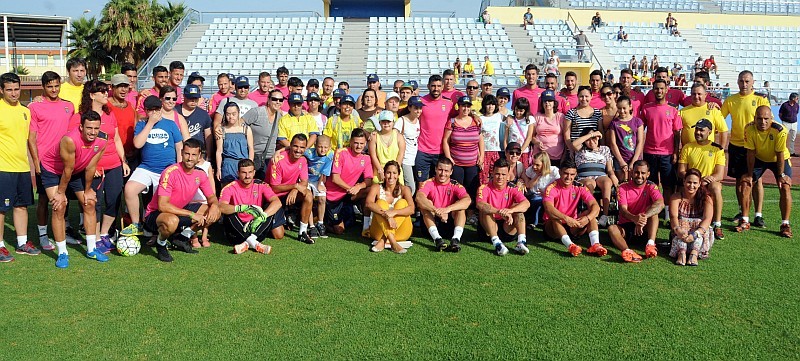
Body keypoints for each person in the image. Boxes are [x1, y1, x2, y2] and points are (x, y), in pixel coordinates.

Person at [40, 111, 108, 267]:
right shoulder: (69, 140)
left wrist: (88, 189)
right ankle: (62, 253)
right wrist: (60, 193)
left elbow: (91, 166)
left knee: (89, 202)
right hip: (53, 170)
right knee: (59, 206)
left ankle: (92, 249)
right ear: (81, 127)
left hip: (76, 170)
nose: (92, 132)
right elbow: (67, 170)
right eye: (89, 128)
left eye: (96, 128)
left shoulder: (103, 140)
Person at [71, 80, 129, 253]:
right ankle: (94, 237)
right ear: (91, 95)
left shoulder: (109, 114)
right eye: (102, 92)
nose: (106, 94)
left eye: (106, 91)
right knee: (95, 203)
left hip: (114, 164)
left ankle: (104, 234)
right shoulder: (79, 116)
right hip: (94, 168)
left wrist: (123, 160)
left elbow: (116, 139)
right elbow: (76, 143)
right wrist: (90, 166)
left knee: (114, 200)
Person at [143, 139, 221, 262]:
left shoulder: (200, 174)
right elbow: (162, 206)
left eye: (194, 155)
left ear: (199, 156)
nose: (190, 158)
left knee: (214, 212)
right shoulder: (170, 172)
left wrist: (215, 206)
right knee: (172, 221)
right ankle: (161, 243)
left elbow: (211, 198)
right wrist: (192, 214)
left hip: (179, 211)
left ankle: (183, 238)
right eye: (187, 154)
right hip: (156, 214)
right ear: (181, 153)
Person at [120, 96, 184, 237]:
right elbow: (137, 144)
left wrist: (178, 168)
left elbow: (179, 147)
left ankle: (162, 231)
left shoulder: (171, 124)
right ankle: (136, 224)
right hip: (147, 167)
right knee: (129, 189)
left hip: (167, 169)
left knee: (162, 203)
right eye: (151, 110)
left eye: (157, 109)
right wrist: (150, 124)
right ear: (146, 111)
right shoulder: (142, 124)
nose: (155, 112)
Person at [27, 71, 74, 252]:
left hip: (65, 162)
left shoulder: (69, 106)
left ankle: (62, 232)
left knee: (63, 200)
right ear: (43, 87)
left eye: (56, 85)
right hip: (45, 163)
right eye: (49, 86)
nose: (54, 89)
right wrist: (36, 162)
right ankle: (42, 234)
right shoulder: (35, 107)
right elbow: (31, 138)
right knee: (45, 200)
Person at [722, 70, 770, 228]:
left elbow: (768, 121)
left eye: (747, 81)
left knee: (756, 180)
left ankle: (758, 214)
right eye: (742, 81)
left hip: (755, 146)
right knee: (738, 180)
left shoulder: (760, 100)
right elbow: (719, 118)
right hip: (736, 145)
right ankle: (742, 211)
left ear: (753, 82)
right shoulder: (731, 100)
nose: (744, 84)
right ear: (737, 82)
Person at [738, 106, 793, 237]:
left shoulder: (780, 130)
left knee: (785, 186)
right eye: (759, 119)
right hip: (759, 158)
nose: (763, 122)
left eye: (766, 119)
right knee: (746, 183)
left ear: (771, 119)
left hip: (779, 159)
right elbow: (750, 152)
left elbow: (779, 154)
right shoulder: (749, 129)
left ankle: (785, 224)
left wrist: (781, 175)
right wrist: (750, 175)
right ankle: (745, 220)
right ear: (754, 118)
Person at [0, 73, 37, 262]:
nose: (14, 93)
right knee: (1, 209)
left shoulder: (26, 111)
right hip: (3, 168)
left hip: (22, 167)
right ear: (1, 90)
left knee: (21, 206)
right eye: (9, 90)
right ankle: (0, 246)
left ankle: (22, 243)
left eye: (16, 89)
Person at [219, 159, 284, 255]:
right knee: (229, 213)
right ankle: (255, 243)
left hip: (256, 229)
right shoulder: (230, 187)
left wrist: (263, 215)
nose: (247, 176)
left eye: (250, 172)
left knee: (269, 209)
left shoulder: (260, 184)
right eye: (244, 173)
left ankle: (248, 242)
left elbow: (277, 202)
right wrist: (241, 208)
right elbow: (221, 207)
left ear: (254, 172)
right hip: (236, 233)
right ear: (238, 173)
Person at [543, 161, 607, 257]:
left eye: (572, 174)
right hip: (553, 228)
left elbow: (595, 206)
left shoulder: (579, 187)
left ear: (576, 174)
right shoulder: (551, 187)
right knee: (554, 217)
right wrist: (566, 218)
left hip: (573, 225)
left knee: (591, 213)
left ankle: (595, 244)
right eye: (566, 173)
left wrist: (588, 218)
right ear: (560, 172)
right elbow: (548, 208)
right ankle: (570, 245)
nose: (569, 177)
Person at [640, 79, 683, 222]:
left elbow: (677, 133)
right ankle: (654, 211)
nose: (659, 91)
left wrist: (676, 152)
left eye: (661, 89)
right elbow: (640, 129)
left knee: (668, 185)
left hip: (667, 154)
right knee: (652, 184)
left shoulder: (673, 110)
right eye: (656, 89)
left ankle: (667, 213)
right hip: (650, 152)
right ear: (652, 90)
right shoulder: (646, 108)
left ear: (666, 90)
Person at [677, 118, 727, 241]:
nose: (698, 132)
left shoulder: (717, 149)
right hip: (692, 182)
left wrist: (705, 181)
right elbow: (681, 171)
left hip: (707, 183)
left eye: (702, 130)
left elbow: (720, 175)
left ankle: (717, 224)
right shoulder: (688, 147)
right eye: (697, 130)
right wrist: (694, 181)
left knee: (716, 187)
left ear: (709, 132)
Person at [608, 160, 664, 263]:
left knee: (654, 214)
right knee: (612, 229)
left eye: (643, 173)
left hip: (644, 226)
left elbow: (660, 204)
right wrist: (635, 219)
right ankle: (627, 251)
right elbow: (623, 210)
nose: (639, 175)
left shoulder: (651, 186)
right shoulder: (622, 187)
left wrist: (643, 218)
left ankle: (650, 244)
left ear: (648, 174)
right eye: (637, 172)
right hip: (627, 226)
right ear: (632, 172)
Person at [476, 158, 530, 256]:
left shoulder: (512, 187)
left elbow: (526, 203)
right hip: (488, 230)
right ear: (492, 173)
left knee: (518, 209)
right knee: (485, 210)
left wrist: (510, 210)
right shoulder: (484, 187)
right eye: (497, 174)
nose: (500, 177)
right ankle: (497, 244)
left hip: (507, 227)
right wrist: (499, 211)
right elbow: (480, 204)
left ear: (508, 175)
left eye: (503, 174)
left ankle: (521, 242)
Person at [415, 157, 472, 252]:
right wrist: (435, 210)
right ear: (435, 169)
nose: (443, 174)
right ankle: (437, 239)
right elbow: (419, 197)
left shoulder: (455, 184)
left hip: (449, 222)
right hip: (431, 223)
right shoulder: (429, 183)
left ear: (451, 172)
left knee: (460, 208)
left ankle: (456, 239)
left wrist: (447, 209)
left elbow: (467, 200)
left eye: (446, 171)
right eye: (440, 170)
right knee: (425, 206)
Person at [268, 134, 315, 244]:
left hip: (289, 193)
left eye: (302, 147)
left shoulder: (303, 160)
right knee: (278, 235)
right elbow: (274, 188)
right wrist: (295, 186)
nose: (298, 150)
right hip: (274, 198)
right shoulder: (278, 160)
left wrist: (295, 189)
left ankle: (302, 232)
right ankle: (276, 220)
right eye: (295, 146)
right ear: (290, 146)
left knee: (308, 194)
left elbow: (304, 182)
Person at [325, 128, 374, 235]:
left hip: (349, 194)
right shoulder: (341, 152)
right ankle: (324, 220)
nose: (359, 146)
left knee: (371, 190)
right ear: (351, 142)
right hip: (334, 196)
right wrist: (351, 188)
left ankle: (366, 226)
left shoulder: (366, 158)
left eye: (361, 143)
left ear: (365, 143)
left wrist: (359, 186)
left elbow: (369, 180)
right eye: (356, 143)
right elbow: (335, 178)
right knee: (339, 230)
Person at [365, 161, 415, 253]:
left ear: (399, 175)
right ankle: (393, 243)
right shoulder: (376, 187)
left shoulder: (405, 189)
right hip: (378, 232)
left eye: (394, 173)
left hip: (401, 232)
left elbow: (412, 209)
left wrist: (394, 212)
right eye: (388, 173)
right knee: (380, 202)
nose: (391, 176)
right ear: (384, 174)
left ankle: (384, 240)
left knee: (402, 202)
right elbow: (368, 203)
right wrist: (386, 215)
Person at [572, 128, 618, 227]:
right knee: (590, 184)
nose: (592, 141)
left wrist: (613, 176)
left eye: (594, 138)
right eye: (589, 139)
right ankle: (592, 212)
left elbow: (609, 168)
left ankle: (604, 215)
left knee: (607, 182)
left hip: (600, 175)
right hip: (584, 176)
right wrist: (591, 135)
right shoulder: (581, 149)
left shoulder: (605, 149)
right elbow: (574, 144)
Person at [415, 75, 455, 183]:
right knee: (421, 184)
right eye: (433, 86)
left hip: (441, 152)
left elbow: (460, 116)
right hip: (423, 151)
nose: (436, 89)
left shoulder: (449, 103)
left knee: (439, 183)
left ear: (442, 87)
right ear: (428, 86)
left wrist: (474, 116)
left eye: (438, 86)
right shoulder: (421, 102)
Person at [443, 96, 484, 201]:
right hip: (457, 163)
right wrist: (449, 158)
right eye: (463, 106)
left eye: (468, 106)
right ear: (459, 106)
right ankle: (457, 212)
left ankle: (471, 213)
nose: (465, 109)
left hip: (472, 163)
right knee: (457, 189)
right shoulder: (452, 122)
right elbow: (446, 141)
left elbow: (480, 140)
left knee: (472, 188)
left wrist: (482, 156)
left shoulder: (476, 122)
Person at [669, 168, 713, 266]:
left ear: (699, 183)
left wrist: (695, 234)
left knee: (700, 228)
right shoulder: (676, 197)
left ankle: (694, 253)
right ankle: (682, 253)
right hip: (681, 232)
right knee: (681, 224)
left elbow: (707, 219)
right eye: (689, 182)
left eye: (695, 183)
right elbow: (673, 217)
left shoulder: (706, 198)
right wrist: (678, 230)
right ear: (684, 181)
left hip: (698, 232)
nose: (691, 186)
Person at [242, 89, 283, 181]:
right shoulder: (257, 112)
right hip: (253, 156)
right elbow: (240, 125)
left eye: (280, 100)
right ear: (268, 100)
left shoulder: (280, 117)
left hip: (270, 159)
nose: (278, 102)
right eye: (274, 99)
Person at [679, 83, 729, 148]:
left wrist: (721, 149)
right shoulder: (683, 112)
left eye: (699, 94)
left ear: (705, 95)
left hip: (707, 153)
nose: (696, 97)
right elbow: (676, 132)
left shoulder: (713, 110)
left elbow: (723, 131)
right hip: (688, 153)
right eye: (694, 94)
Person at [607, 96, 644, 182]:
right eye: (619, 108)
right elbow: (613, 143)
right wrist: (621, 161)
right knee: (622, 183)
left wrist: (634, 161)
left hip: (635, 158)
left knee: (636, 182)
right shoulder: (614, 123)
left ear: (630, 107)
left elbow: (640, 142)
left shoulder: (638, 122)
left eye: (624, 108)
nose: (622, 111)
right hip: (620, 158)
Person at [216, 102, 254, 185]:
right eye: (228, 114)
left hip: (243, 165)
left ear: (238, 113)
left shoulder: (246, 129)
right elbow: (219, 151)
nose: (231, 117)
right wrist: (218, 169)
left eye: (234, 114)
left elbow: (251, 148)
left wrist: (250, 166)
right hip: (228, 166)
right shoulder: (221, 130)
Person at [524, 90, 565, 167]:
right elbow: (531, 136)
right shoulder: (537, 116)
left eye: (550, 101)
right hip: (540, 156)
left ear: (554, 103)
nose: (547, 103)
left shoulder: (560, 117)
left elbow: (565, 136)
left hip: (557, 156)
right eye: (545, 101)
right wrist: (537, 142)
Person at [304, 135, 333, 238]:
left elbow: (325, 172)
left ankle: (320, 223)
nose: (323, 149)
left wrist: (321, 183)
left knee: (322, 198)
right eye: (320, 147)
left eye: (325, 147)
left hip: (318, 180)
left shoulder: (330, 156)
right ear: (315, 145)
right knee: (309, 199)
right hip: (305, 179)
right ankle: (311, 226)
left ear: (329, 147)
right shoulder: (308, 153)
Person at [523, 152, 559, 227]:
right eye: (533, 164)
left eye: (537, 165)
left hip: (549, 195)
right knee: (537, 200)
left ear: (545, 164)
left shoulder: (554, 171)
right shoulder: (531, 170)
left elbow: (558, 184)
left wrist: (547, 192)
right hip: (534, 195)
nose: (534, 167)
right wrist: (537, 175)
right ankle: (534, 222)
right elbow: (529, 185)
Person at [395, 96, 423, 193]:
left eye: (420, 108)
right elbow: (394, 137)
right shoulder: (401, 121)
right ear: (409, 108)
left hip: (416, 157)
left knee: (419, 184)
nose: (418, 111)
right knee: (410, 187)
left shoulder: (418, 121)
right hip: (405, 158)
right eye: (416, 108)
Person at [369, 110, 405, 185]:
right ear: (379, 122)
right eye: (383, 121)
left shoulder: (399, 137)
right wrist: (380, 170)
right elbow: (373, 156)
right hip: (379, 170)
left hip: (395, 169)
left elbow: (401, 155)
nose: (386, 124)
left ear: (393, 122)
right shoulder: (374, 137)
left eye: (388, 121)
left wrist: (395, 171)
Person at [565, 86, 602, 153]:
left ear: (591, 96)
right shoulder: (571, 113)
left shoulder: (597, 112)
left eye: (586, 96)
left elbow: (600, 132)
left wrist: (601, 149)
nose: (584, 99)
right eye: (581, 96)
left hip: (593, 152)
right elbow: (566, 134)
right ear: (578, 96)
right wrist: (571, 149)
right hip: (575, 150)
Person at [179, 85, 213, 157]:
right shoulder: (175, 112)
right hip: (178, 154)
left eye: (196, 98)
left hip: (198, 156)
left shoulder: (203, 114)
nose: (193, 101)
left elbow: (208, 138)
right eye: (190, 98)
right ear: (184, 96)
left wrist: (208, 156)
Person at [479, 95, 503, 184]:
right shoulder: (480, 118)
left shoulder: (498, 116)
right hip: (484, 151)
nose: (490, 107)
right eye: (488, 104)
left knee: (496, 174)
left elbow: (509, 117)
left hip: (496, 151)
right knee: (483, 176)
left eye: (493, 104)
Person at [504, 97, 534, 165]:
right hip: (511, 153)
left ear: (525, 111)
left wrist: (520, 152)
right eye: (516, 109)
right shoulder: (510, 119)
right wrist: (506, 152)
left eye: (521, 111)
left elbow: (529, 137)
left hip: (523, 151)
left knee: (523, 172)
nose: (518, 112)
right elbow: (506, 138)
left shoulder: (530, 119)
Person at [778, 93, 798, 157]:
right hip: (786, 123)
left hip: (794, 123)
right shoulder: (785, 105)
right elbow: (780, 114)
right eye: (797, 98)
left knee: (793, 138)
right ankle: (783, 151)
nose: (798, 99)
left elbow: (796, 113)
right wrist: (783, 121)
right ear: (793, 98)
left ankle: (791, 152)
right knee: (784, 138)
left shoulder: (797, 105)